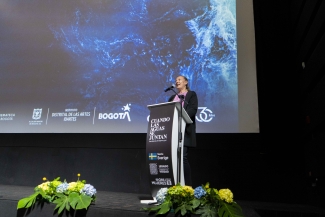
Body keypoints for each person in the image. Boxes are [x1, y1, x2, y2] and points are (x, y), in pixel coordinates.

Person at [168, 75, 198, 186]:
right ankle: (175, 185)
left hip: (184, 130)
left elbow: (192, 110)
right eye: (176, 80)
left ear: (186, 82)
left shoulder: (191, 94)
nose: (177, 81)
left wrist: (180, 118)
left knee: (182, 158)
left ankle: (187, 187)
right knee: (173, 158)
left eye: (179, 79)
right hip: (172, 131)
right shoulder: (171, 98)